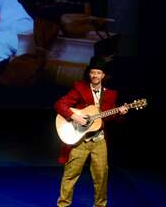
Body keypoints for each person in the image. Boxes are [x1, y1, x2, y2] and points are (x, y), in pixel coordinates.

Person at [54, 56, 128, 207]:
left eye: (98, 73)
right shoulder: (80, 89)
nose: (95, 75)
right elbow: (60, 104)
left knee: (101, 176)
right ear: (89, 74)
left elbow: (109, 117)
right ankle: (63, 205)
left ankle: (100, 205)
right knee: (70, 174)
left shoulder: (110, 94)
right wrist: (74, 116)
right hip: (80, 140)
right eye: (92, 72)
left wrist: (120, 113)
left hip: (99, 140)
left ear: (103, 75)